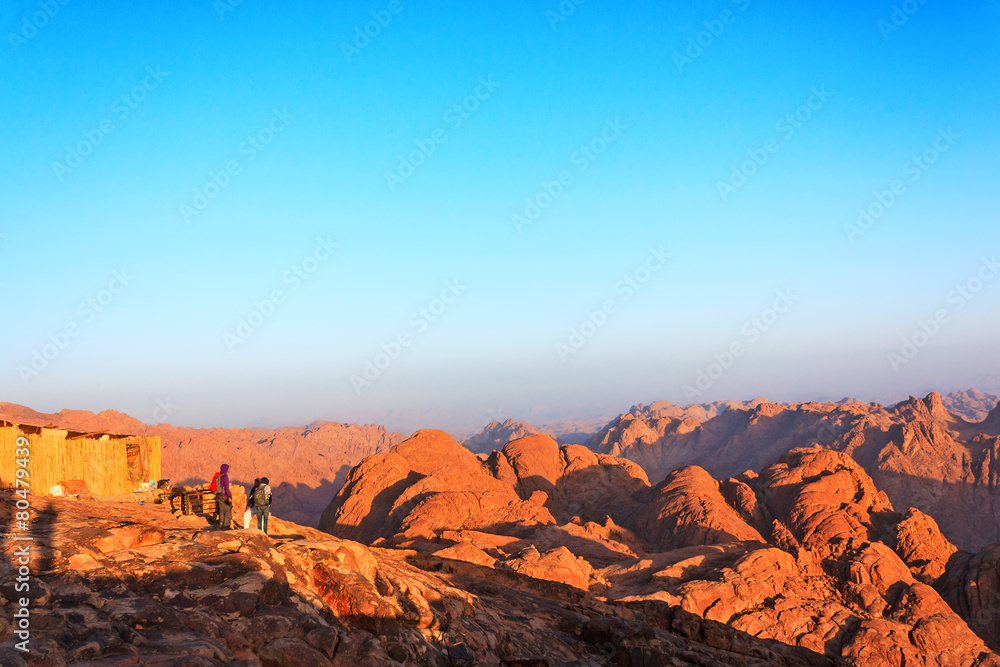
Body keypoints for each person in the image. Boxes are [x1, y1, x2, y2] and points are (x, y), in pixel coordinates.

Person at [215, 464, 233, 530]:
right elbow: (226, 487)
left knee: (221, 510)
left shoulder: (218, 476)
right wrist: (229, 496)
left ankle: (221, 523)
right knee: (227, 509)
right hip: (224, 495)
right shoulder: (225, 476)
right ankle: (226, 525)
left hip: (218, 495)